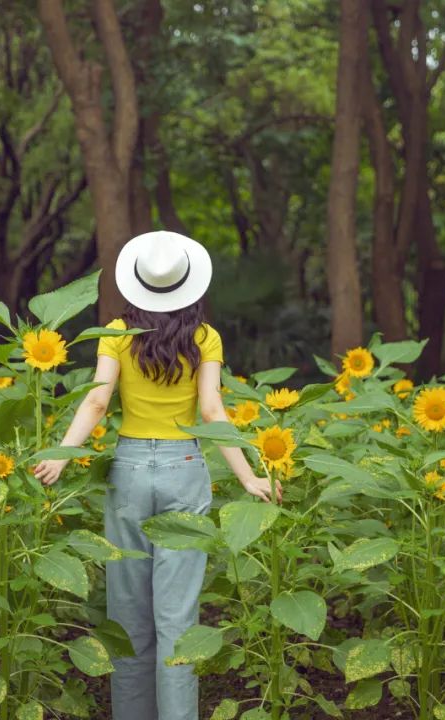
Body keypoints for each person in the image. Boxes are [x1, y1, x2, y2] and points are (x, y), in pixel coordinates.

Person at [32, 231, 279, 720]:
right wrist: (249, 478)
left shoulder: (116, 332)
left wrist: (61, 454)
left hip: (128, 473)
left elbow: (98, 400)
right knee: (177, 620)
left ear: (136, 284)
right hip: (184, 469)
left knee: (127, 618)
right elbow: (212, 410)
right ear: (190, 283)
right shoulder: (205, 337)